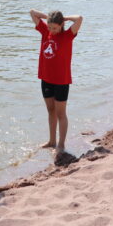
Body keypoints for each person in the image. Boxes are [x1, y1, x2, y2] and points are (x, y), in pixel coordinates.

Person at [30, 9, 83, 158]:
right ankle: (51, 141)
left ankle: (61, 144)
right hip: (46, 79)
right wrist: (49, 18)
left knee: (61, 114)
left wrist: (64, 18)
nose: (51, 30)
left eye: (54, 28)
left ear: (61, 25)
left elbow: (79, 18)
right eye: (50, 27)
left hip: (61, 81)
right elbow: (32, 12)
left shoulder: (68, 35)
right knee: (50, 111)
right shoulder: (45, 31)